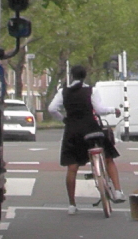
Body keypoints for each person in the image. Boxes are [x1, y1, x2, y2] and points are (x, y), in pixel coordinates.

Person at [48, 66, 125, 215]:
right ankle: (117, 191)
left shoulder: (62, 92)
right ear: (85, 76)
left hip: (72, 132)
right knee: (108, 158)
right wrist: (113, 110)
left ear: (71, 76)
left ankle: (72, 204)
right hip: (91, 129)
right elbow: (100, 110)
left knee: (72, 168)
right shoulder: (91, 91)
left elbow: (51, 109)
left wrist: (63, 119)